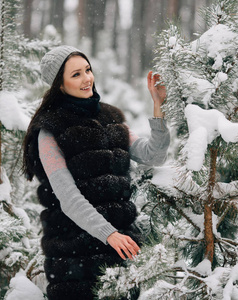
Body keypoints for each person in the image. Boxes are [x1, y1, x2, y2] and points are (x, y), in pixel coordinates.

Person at [22, 45, 170, 300]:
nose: (87, 78)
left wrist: (158, 107)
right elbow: (68, 198)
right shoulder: (49, 131)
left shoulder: (110, 117)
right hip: (75, 258)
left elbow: (153, 155)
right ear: (60, 84)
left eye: (87, 70)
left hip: (119, 252)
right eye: (76, 74)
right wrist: (108, 233)